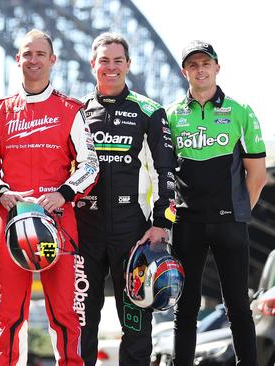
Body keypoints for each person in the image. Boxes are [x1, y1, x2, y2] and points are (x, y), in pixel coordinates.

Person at [0, 29, 98, 365]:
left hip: (59, 223)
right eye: (27, 54)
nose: (33, 60)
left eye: (40, 54)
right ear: (18, 59)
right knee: (11, 315)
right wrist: (1, 192)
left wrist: (64, 193)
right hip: (12, 221)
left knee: (64, 314)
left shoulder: (70, 109)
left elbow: (91, 164)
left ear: (52, 60)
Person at [74, 32, 177, 365]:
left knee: (135, 325)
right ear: (93, 64)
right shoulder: (75, 113)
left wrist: (162, 223)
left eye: (118, 61)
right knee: (81, 323)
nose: (111, 67)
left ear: (128, 65)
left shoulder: (150, 111)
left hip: (132, 234)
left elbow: (168, 172)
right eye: (104, 61)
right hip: (84, 232)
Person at [166, 40, 267, 366]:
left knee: (238, 305)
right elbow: (161, 172)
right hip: (186, 223)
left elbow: (257, 175)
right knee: (185, 307)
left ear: (217, 67)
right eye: (193, 65)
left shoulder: (240, 111)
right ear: (185, 72)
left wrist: (239, 212)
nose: (200, 69)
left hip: (229, 223)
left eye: (205, 63)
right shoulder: (170, 114)